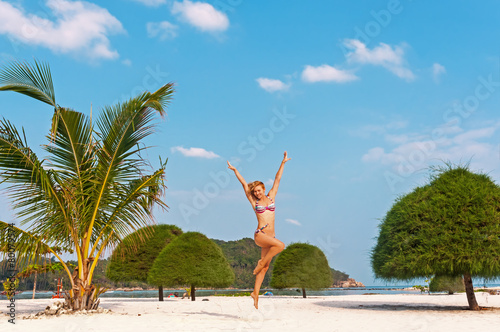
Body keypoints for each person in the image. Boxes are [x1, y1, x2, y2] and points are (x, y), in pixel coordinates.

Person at [227, 151, 290, 309]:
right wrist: (235, 171)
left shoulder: (272, 196)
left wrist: (283, 163)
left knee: (266, 268)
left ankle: (255, 294)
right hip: (260, 235)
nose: (257, 193)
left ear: (263, 188)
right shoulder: (254, 202)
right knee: (280, 246)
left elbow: (277, 179)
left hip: (271, 236)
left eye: (259, 190)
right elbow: (243, 185)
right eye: (254, 191)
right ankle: (260, 262)